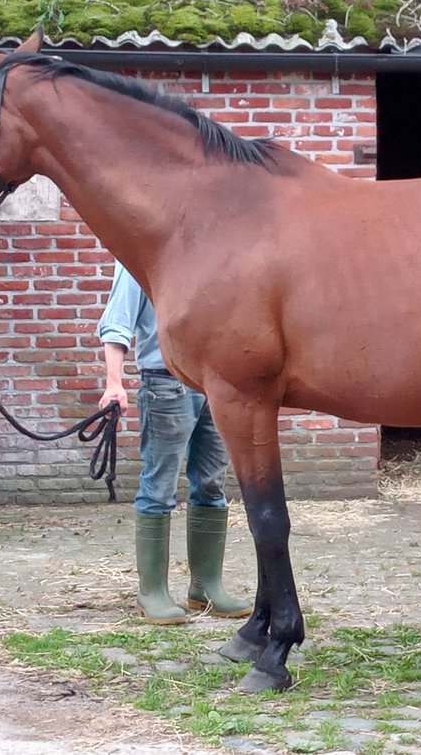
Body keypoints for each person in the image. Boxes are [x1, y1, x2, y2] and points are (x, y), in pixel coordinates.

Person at [97, 260, 251, 624]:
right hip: (165, 384)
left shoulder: (214, 253)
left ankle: (206, 587)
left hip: (216, 384)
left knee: (213, 484)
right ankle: (152, 592)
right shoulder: (138, 257)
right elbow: (116, 323)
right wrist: (114, 383)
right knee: (159, 487)